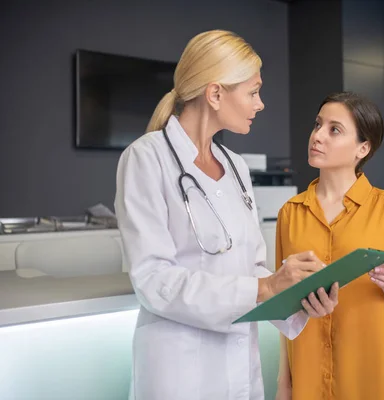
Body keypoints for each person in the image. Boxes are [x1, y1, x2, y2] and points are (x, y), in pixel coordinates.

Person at [114, 30, 338, 400]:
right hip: (178, 369)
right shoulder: (145, 158)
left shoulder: (235, 166)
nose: (260, 103)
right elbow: (153, 280)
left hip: (238, 367)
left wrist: (297, 296)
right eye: (253, 92)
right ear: (215, 93)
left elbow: (252, 268)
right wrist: (264, 287)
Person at [275, 92, 384, 400]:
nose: (317, 136)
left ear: (363, 148)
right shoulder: (290, 212)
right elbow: (283, 307)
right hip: (311, 378)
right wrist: (284, 384)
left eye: (334, 129)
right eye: (318, 125)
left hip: (379, 375)